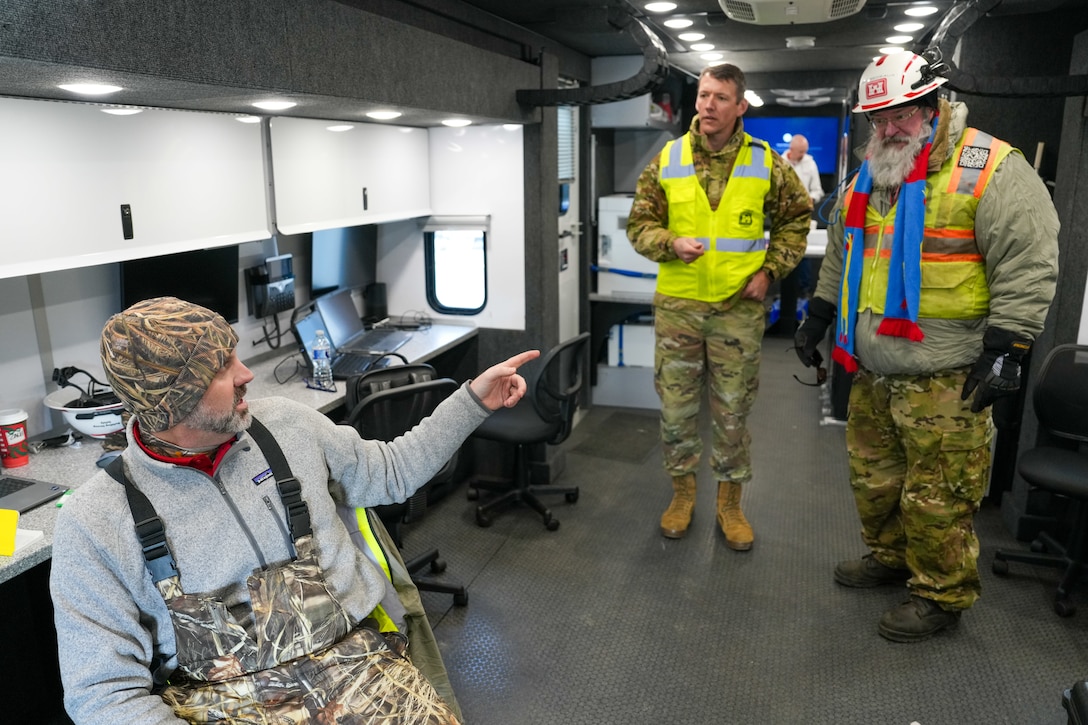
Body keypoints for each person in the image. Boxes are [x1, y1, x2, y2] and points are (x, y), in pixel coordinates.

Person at [49, 295, 540, 724]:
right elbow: (104, 695)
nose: (246, 375)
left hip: (359, 669)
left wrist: (473, 400)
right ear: (173, 401)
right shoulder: (96, 521)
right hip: (222, 706)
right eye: (221, 367)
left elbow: (391, 472)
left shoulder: (289, 426)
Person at [794, 51, 1059, 642]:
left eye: (899, 116)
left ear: (933, 103)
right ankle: (890, 559)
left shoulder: (991, 167)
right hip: (873, 370)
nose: (887, 131)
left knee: (939, 497)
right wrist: (818, 314)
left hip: (947, 375)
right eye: (877, 120)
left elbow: (1029, 262)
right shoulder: (872, 173)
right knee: (877, 482)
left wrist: (1009, 348)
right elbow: (842, 252)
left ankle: (941, 594)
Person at [627, 63, 812, 549]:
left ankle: (730, 505)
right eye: (704, 94)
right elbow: (638, 226)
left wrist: (769, 272)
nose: (708, 104)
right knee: (676, 411)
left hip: (736, 309)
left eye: (720, 97)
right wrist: (670, 242)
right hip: (679, 308)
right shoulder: (668, 158)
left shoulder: (765, 161)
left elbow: (797, 220)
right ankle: (682, 496)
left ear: (740, 107)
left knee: (732, 413)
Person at [785, 133, 825, 204]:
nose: (803, 154)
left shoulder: (810, 163)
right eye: (800, 152)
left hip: (803, 209)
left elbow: (817, 190)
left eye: (805, 151)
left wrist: (810, 199)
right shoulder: (781, 163)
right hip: (784, 209)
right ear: (791, 149)